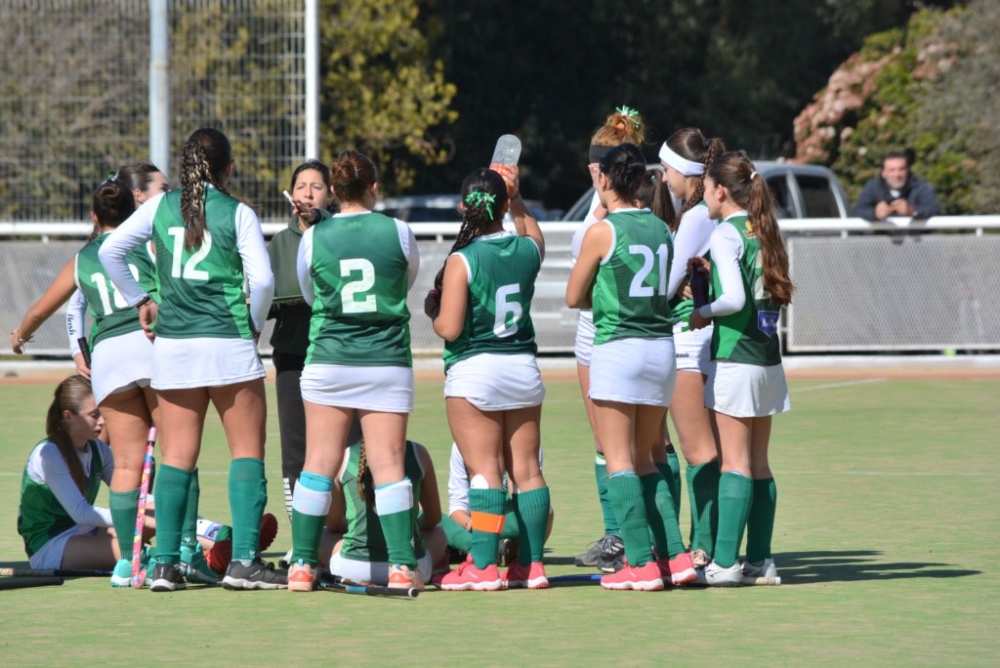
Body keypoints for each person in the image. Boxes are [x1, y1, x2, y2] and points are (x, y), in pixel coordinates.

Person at [99, 128, 280, 592]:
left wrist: (142, 298)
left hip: (175, 345)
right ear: (229, 168)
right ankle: (243, 563)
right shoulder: (238, 212)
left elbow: (111, 249)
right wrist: (254, 324)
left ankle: (163, 566)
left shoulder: (160, 206)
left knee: (175, 456)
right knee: (246, 452)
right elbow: (261, 283)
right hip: (228, 342)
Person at [287, 150, 422, 592]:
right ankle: (402, 566)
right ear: (375, 188)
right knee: (388, 465)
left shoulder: (314, 236)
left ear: (335, 192)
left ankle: (303, 566)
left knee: (318, 464)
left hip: (329, 360)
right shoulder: (399, 231)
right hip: (386, 361)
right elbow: (407, 280)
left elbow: (310, 294)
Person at [566, 143, 697, 591]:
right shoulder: (662, 227)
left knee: (619, 460)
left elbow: (573, 296)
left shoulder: (601, 231)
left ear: (604, 179)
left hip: (618, 349)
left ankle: (639, 563)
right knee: (650, 459)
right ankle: (676, 558)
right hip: (659, 349)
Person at [425, 166, 550, 591]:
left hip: (475, 372)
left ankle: (483, 566)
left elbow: (450, 328)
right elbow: (535, 235)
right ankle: (532, 566)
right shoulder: (527, 249)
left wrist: (435, 311)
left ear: (463, 207)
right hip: (522, 368)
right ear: (502, 205)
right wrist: (517, 198)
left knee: (484, 473)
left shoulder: (461, 259)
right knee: (528, 472)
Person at [688, 151, 793, 586]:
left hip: (736, 356)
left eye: (707, 188)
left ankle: (726, 563)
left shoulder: (725, 233)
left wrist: (702, 311)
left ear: (721, 191)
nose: (704, 196)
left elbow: (732, 300)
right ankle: (760, 562)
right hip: (767, 357)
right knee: (760, 464)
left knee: (735, 464)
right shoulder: (763, 228)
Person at [571, 106, 644, 572]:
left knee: (631, 446)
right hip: (600, 337)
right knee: (608, 442)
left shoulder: (615, 215)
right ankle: (620, 534)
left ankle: (635, 538)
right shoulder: (609, 210)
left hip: (614, 334)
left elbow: (579, 292)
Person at [10, 163, 169, 359]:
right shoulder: (151, 244)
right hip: (152, 341)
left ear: (94, 216)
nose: (169, 194)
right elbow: (76, 306)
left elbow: (41, 312)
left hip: (108, 353)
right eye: (163, 189)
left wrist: (20, 336)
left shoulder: (83, 259)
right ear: (137, 198)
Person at [658, 127, 727, 568]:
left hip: (690, 340)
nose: (663, 179)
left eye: (666, 170)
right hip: (703, 337)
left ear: (686, 172)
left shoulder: (698, 216)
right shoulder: (703, 213)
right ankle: (708, 546)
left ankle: (702, 550)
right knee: (709, 449)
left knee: (699, 451)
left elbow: (664, 285)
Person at [17, 376, 152, 572]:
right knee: (143, 552)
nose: (103, 421)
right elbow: (81, 514)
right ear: (69, 417)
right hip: (52, 545)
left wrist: (172, 513)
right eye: (94, 415)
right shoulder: (48, 454)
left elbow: (134, 496)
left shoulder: (98, 449)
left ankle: (211, 542)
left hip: (87, 531)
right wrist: (141, 517)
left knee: (163, 524)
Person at [266, 160, 337, 539]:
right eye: (301, 186)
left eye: (317, 186)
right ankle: (303, 538)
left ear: (331, 194)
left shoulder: (340, 233)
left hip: (338, 355)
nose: (307, 193)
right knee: (295, 451)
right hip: (293, 356)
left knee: (344, 449)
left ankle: (347, 529)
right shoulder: (279, 241)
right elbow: (268, 299)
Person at [317, 439, 447, 587]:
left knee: (323, 535)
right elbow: (433, 518)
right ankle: (408, 569)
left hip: (353, 568)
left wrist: (359, 525)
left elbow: (332, 523)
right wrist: (410, 526)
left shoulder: (345, 456)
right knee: (438, 534)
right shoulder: (419, 453)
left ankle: (302, 566)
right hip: (414, 567)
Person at [440, 442, 554, 567]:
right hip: (474, 525)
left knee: (544, 514)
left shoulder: (526, 441)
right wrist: (470, 523)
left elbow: (524, 503)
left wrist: (513, 470)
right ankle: (488, 550)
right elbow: (457, 507)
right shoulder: (461, 444)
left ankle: (471, 549)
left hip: (507, 521)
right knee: (435, 519)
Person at [852, 151, 940, 221]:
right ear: (883, 173)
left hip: (916, 241)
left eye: (901, 169)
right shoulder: (873, 187)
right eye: (892, 170)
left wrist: (911, 211)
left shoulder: (921, 187)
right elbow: (858, 211)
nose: (897, 175)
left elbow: (934, 210)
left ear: (908, 170)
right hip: (881, 241)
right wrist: (875, 213)